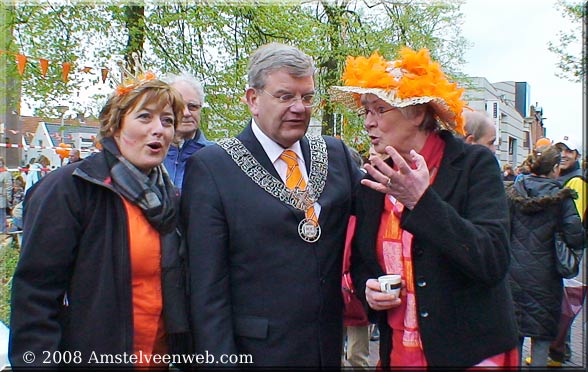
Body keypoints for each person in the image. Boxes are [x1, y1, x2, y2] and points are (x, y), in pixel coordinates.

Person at [330, 47, 519, 368]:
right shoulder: (376, 178)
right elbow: (363, 261)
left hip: (472, 356)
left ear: (417, 114)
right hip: (400, 353)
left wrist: (421, 202)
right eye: (366, 112)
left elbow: (492, 260)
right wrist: (369, 291)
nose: (368, 123)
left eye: (379, 109)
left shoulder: (473, 164)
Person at [181, 42, 364, 368]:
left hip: (324, 350)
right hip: (255, 354)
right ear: (253, 99)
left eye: (307, 97)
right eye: (285, 96)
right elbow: (207, 288)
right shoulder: (213, 167)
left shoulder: (335, 155)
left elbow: (372, 234)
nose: (299, 107)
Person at [9, 76, 191, 369]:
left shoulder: (170, 198)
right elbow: (35, 296)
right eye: (145, 117)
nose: (158, 129)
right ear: (116, 124)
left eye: (167, 121)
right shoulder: (72, 187)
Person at [505, 145, 584, 367]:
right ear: (555, 168)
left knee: (514, 335)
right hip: (546, 278)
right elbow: (576, 236)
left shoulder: (512, 193)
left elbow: (501, 230)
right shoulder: (562, 199)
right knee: (541, 338)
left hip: (513, 274)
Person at [547, 135, 587, 366]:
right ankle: (558, 350)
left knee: (565, 303)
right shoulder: (564, 177)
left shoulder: (577, 181)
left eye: (569, 151)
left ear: (577, 155)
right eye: (560, 150)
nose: (564, 155)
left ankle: (561, 352)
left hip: (566, 250)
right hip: (560, 246)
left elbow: (574, 219)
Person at [162, 72, 213, 191]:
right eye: (178, 106)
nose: (186, 113)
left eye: (192, 106)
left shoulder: (216, 156)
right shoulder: (150, 153)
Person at [0, 158, 12, 235]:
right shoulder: (6, 173)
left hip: (1, 197)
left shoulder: (6, 173)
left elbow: (8, 187)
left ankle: (2, 234)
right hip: (2, 197)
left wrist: (9, 198)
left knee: (1, 217)